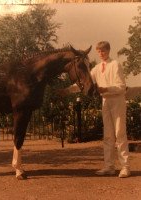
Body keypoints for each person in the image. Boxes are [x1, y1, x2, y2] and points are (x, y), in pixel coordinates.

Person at [59, 41, 131, 178]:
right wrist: (67, 90)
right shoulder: (97, 68)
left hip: (117, 100)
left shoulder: (115, 65)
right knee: (108, 135)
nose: (101, 54)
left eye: (103, 51)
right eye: (99, 51)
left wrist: (106, 89)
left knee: (120, 133)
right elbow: (86, 82)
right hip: (106, 101)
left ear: (108, 51)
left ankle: (125, 167)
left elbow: (122, 87)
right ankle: (109, 167)